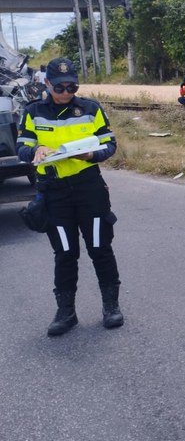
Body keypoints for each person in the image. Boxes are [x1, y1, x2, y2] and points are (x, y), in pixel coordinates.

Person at [17, 57, 125, 336]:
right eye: (60, 87)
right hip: (55, 193)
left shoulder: (91, 108)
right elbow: (22, 147)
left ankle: (111, 306)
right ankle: (66, 312)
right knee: (65, 253)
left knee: (100, 248)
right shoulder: (33, 112)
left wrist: (92, 155)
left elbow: (109, 143)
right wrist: (35, 150)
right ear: (47, 83)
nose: (66, 92)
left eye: (72, 86)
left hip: (89, 189)